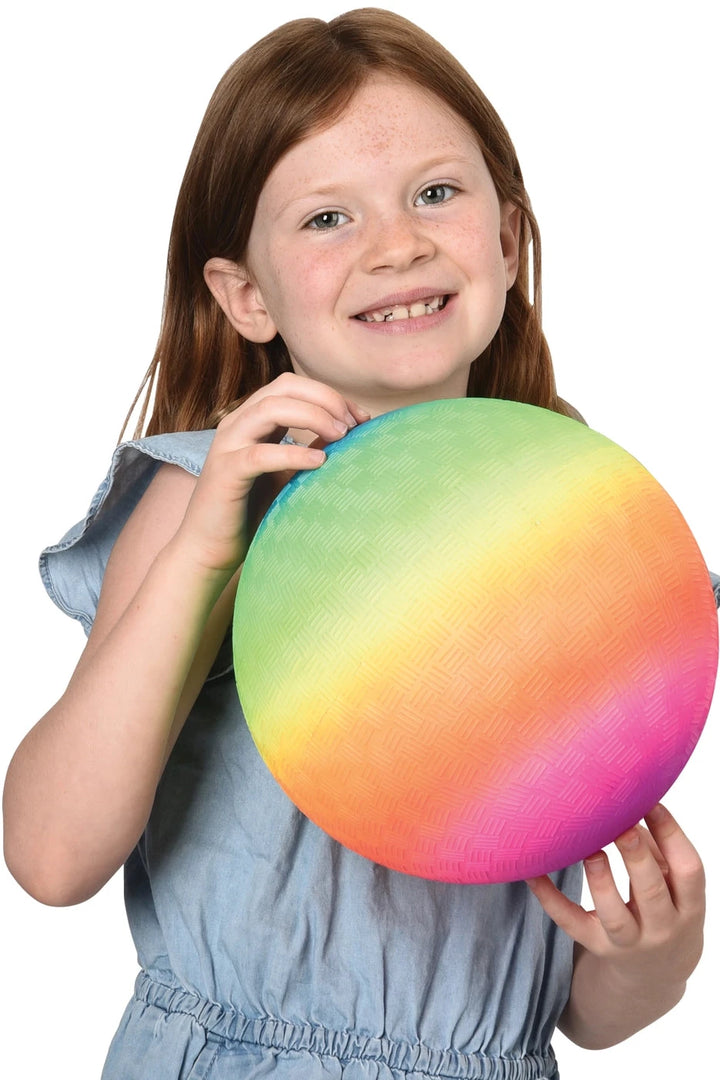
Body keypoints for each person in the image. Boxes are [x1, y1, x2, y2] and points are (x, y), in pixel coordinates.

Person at [2, 8, 714, 1079]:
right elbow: (52, 859)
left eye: (437, 193)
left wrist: (656, 954)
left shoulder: (576, 523)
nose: (397, 243)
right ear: (244, 296)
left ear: (509, 242)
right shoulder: (212, 498)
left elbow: (579, 1016)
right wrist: (204, 554)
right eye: (327, 216)